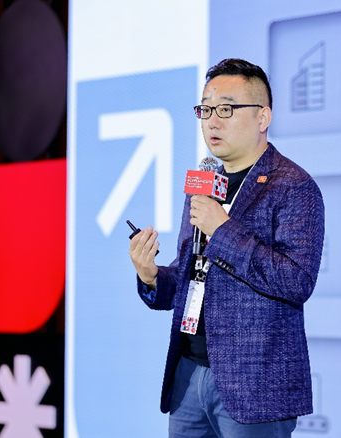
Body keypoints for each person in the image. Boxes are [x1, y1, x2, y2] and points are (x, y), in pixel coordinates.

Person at [129, 58, 324, 438]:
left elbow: (296, 281)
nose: (212, 121)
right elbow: (191, 274)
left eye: (226, 109)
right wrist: (151, 276)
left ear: (263, 117)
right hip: (188, 373)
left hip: (255, 385)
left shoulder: (293, 186)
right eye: (205, 109)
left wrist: (223, 230)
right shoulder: (205, 183)